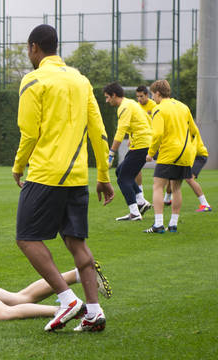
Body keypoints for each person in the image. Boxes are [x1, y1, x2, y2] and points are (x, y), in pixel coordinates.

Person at [12, 24, 114, 332]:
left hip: (46, 173)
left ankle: (68, 299)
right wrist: (104, 176)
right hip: (78, 176)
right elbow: (98, 130)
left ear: (34, 48)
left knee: (26, 237)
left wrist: (19, 166)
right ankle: (94, 311)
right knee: (75, 242)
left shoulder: (33, 79)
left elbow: (29, 132)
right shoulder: (82, 80)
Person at [145, 80, 201, 233]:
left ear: (157, 93)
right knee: (176, 188)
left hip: (169, 152)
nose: (152, 98)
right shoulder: (184, 107)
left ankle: (158, 224)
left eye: (152, 95)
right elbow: (194, 131)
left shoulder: (159, 109)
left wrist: (150, 153)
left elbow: (157, 134)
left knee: (158, 186)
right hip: (185, 153)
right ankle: (173, 224)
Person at [104, 82, 153, 221]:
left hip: (141, 145)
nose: (107, 101)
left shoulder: (124, 107)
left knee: (123, 178)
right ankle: (141, 202)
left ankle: (135, 213)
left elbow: (120, 132)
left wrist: (111, 154)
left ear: (114, 95)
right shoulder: (131, 103)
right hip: (142, 144)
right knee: (120, 171)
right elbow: (147, 120)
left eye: (108, 97)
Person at [163, 132, 212, 211]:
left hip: (198, 156)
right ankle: (167, 200)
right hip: (186, 156)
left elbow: (192, 148)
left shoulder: (189, 128)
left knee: (189, 178)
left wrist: (187, 165)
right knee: (172, 176)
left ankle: (205, 205)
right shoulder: (181, 127)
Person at [133, 85, 157, 199]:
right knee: (137, 167)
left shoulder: (154, 105)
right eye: (137, 97)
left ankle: (168, 195)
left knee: (165, 166)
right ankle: (140, 194)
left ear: (147, 95)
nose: (139, 99)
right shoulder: (136, 107)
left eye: (141, 96)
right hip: (141, 141)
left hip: (156, 140)